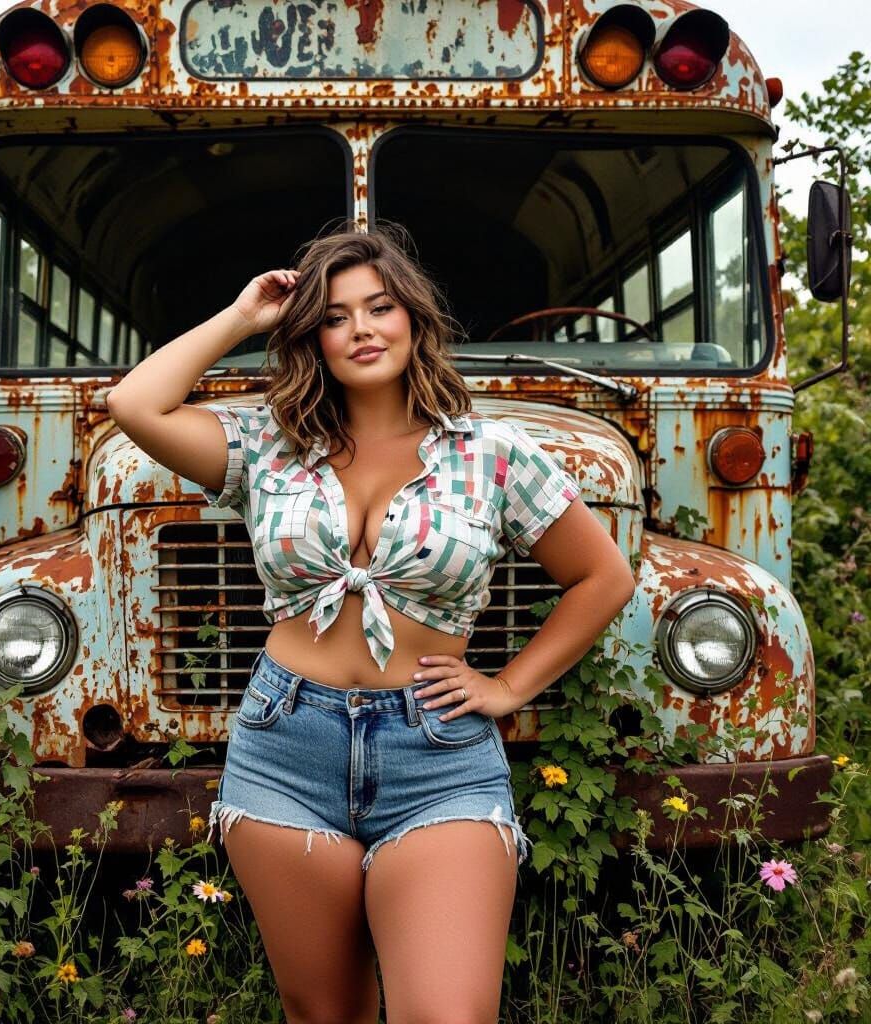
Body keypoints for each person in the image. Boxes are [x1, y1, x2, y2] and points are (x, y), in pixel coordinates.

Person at [106, 222, 636, 1024]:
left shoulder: (492, 451)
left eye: (380, 307)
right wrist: (244, 316)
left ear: (414, 319)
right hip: (287, 745)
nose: (361, 328)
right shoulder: (267, 443)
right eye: (335, 314)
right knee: (326, 1013)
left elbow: (603, 576)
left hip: (439, 757)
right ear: (311, 337)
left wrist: (508, 685)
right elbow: (131, 403)